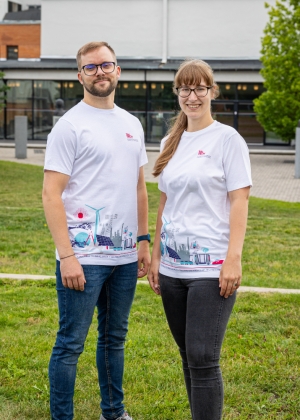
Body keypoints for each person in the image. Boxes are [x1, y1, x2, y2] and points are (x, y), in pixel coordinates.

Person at [42, 41, 150, 420]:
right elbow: (50, 194)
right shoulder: (70, 126)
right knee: (71, 343)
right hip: (83, 257)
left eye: (106, 65)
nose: (100, 72)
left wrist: (142, 240)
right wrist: (67, 256)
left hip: (123, 256)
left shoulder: (131, 124)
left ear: (118, 70)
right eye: (91, 67)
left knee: (114, 339)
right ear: (80, 76)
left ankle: (114, 412)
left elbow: (139, 187)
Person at [147, 59, 252, 420]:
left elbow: (240, 199)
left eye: (200, 88)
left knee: (204, 357)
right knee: (188, 356)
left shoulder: (228, 140)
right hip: (174, 270)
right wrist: (157, 256)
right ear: (177, 94)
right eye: (185, 89)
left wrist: (233, 259)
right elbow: (164, 201)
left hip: (212, 268)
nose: (192, 96)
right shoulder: (170, 141)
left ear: (212, 92)